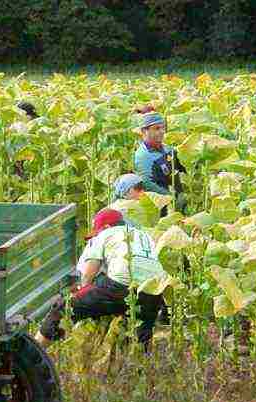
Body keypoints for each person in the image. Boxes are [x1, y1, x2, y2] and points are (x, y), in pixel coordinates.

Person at [34, 209, 166, 349]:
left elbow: (88, 274)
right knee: (141, 336)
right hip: (154, 291)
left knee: (64, 308)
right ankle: (141, 365)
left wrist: (82, 293)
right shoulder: (144, 235)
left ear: (107, 227)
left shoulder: (105, 234)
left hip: (119, 286)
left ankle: (36, 351)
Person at [133, 111, 188, 212]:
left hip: (178, 199)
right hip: (161, 207)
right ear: (144, 131)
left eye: (163, 128)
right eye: (157, 128)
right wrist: (171, 198)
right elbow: (148, 184)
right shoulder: (143, 156)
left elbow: (183, 166)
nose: (162, 131)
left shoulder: (168, 149)